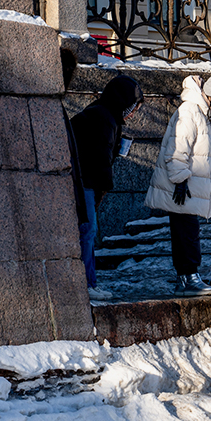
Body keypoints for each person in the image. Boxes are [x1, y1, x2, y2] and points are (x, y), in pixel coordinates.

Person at [145, 69, 211, 296]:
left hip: (189, 186)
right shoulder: (190, 111)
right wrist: (180, 180)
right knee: (186, 232)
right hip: (183, 186)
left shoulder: (206, 115)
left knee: (188, 232)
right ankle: (187, 278)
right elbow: (177, 148)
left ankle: (188, 277)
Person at [70, 74, 143, 294]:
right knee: (88, 231)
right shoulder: (104, 118)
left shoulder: (104, 115)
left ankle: (89, 282)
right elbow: (99, 158)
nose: (133, 114)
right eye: (133, 108)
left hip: (85, 179)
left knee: (88, 231)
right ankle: (86, 284)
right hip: (86, 181)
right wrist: (104, 187)